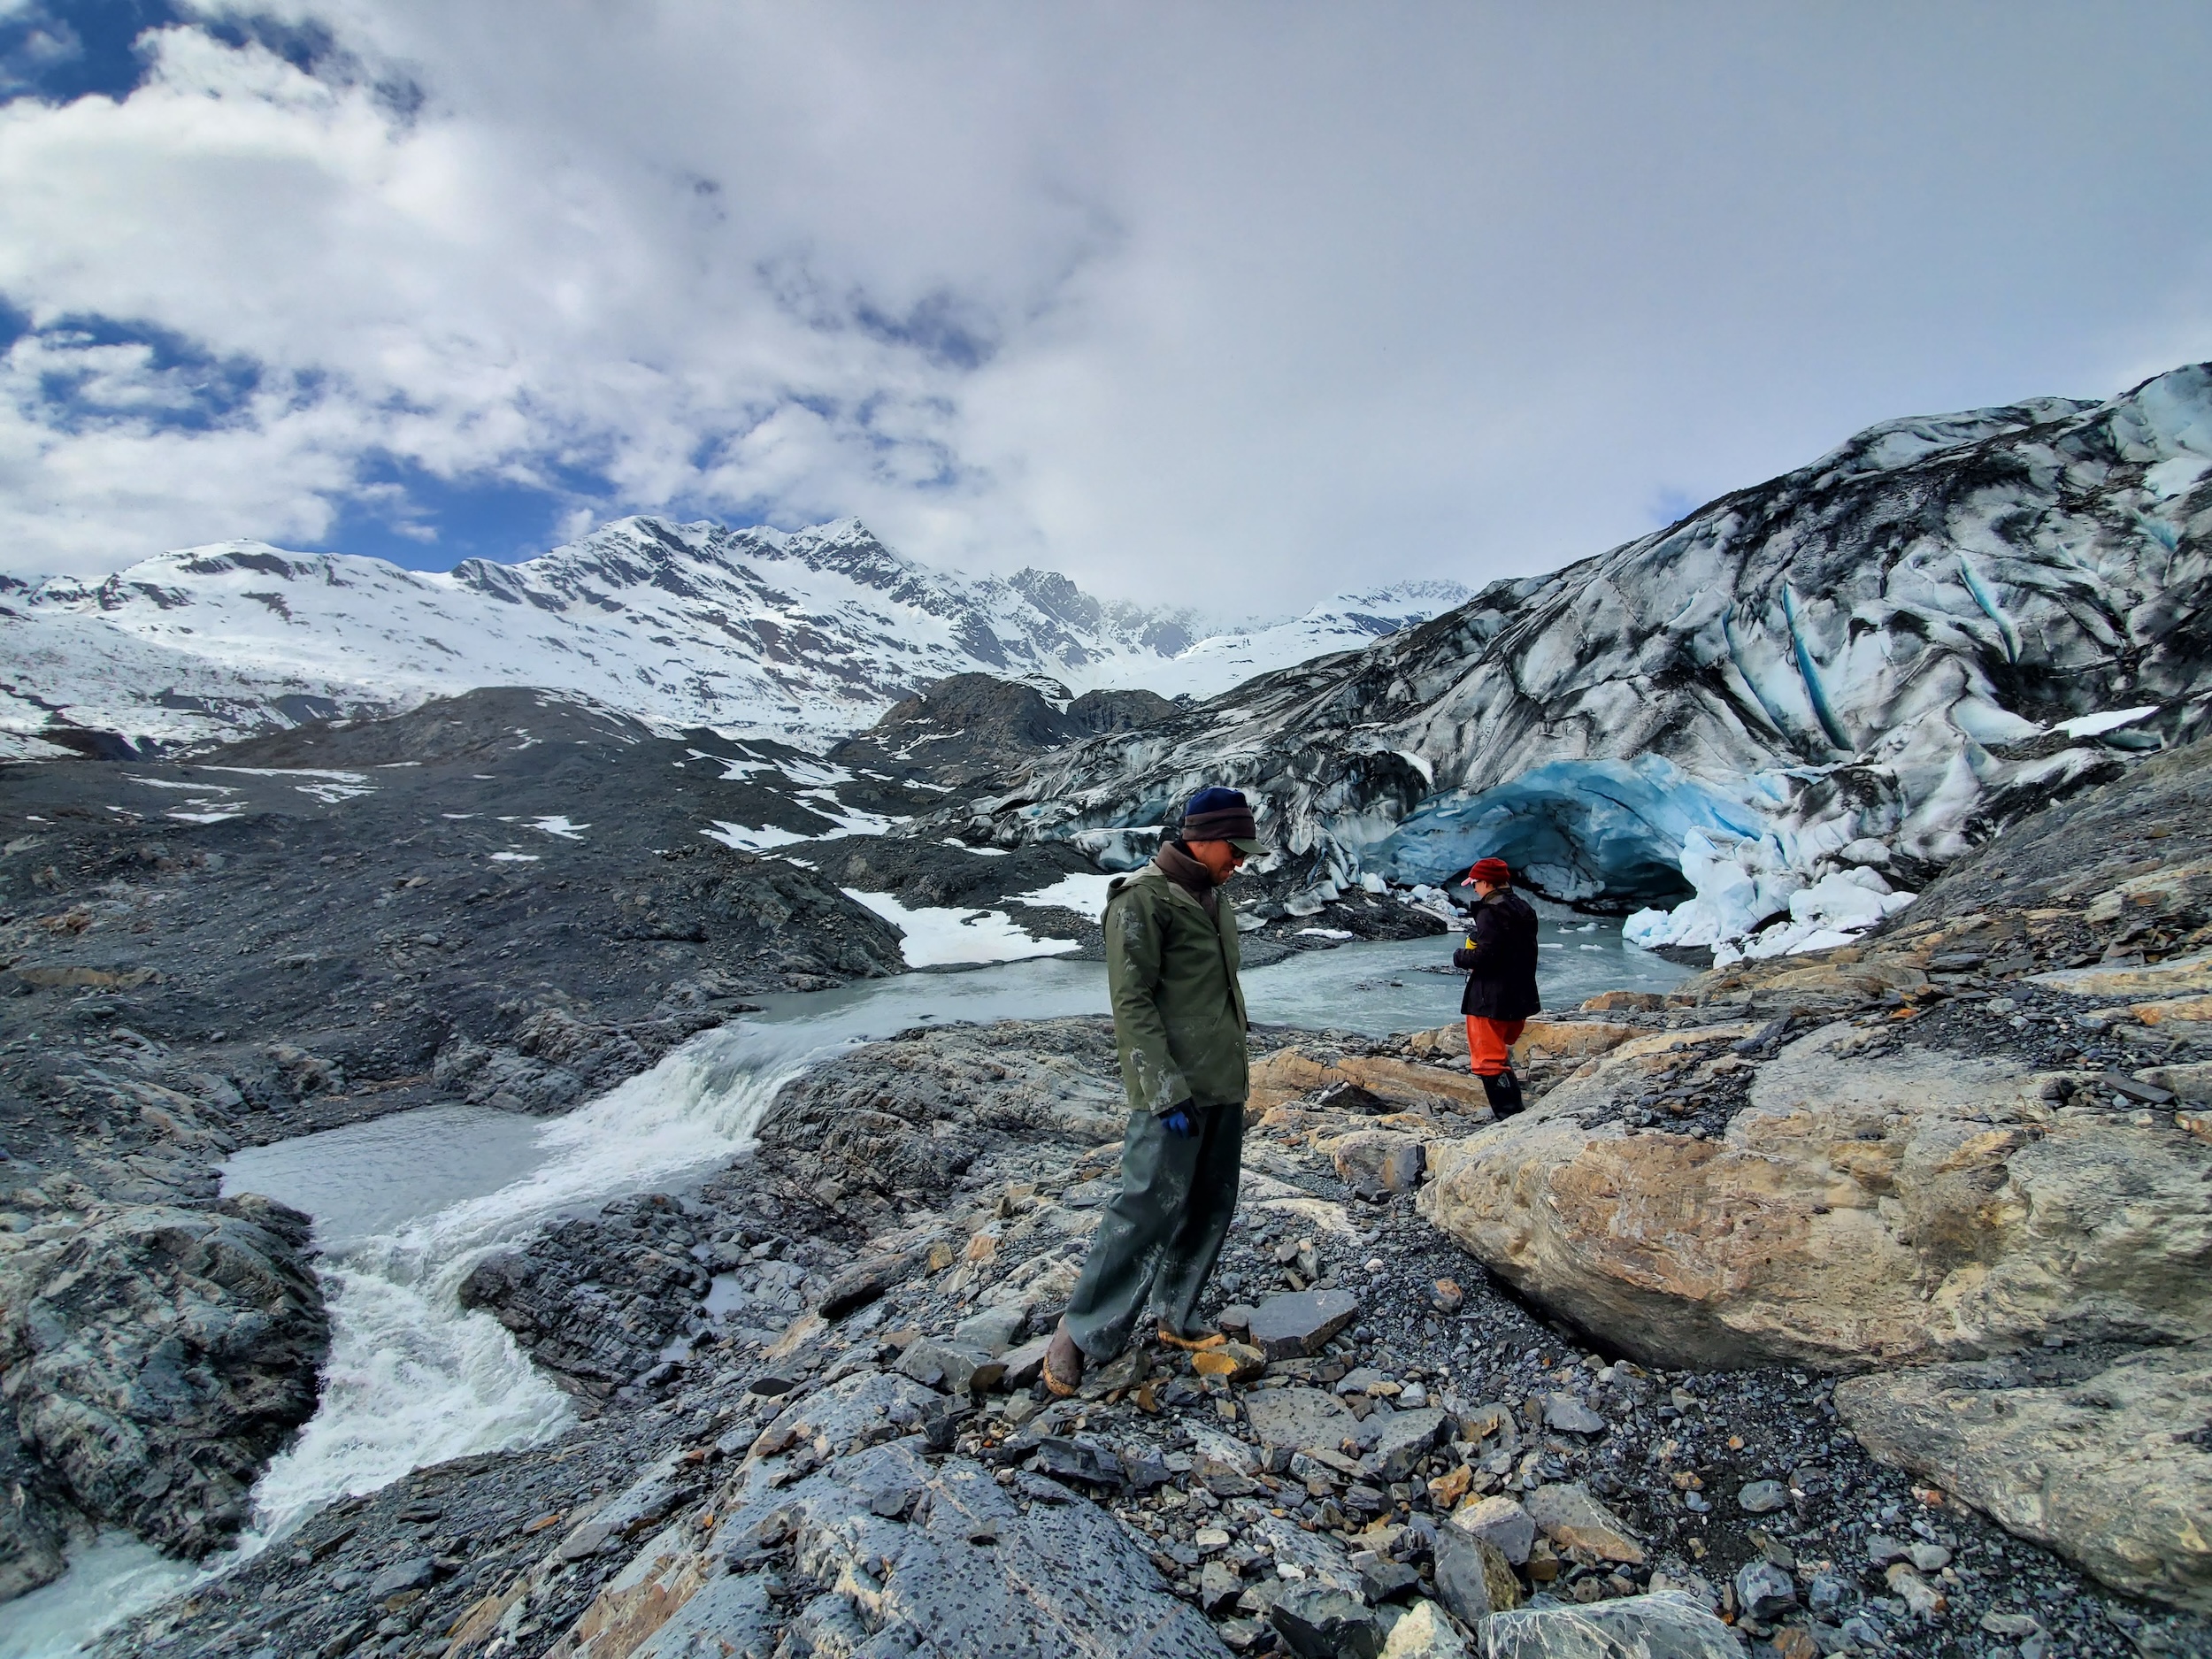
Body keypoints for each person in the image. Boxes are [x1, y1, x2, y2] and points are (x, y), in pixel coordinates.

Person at [1043, 786, 1261, 1396]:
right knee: (1144, 1205)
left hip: (1221, 1080)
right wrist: (1164, 1089)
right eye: (1234, 848)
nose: (1239, 860)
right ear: (1203, 837)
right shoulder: (1141, 899)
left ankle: (1177, 1313)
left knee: (1212, 1200)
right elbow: (1131, 1002)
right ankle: (1079, 1332)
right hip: (1172, 1089)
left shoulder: (1214, 896)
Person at [1454, 856, 1540, 1118]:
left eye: (1475, 884)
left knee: (1488, 1060)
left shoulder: (1491, 911)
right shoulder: (1523, 908)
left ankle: (1509, 1116)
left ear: (1487, 883)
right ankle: (1514, 1112)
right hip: (1519, 995)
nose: (1474, 889)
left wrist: (1461, 956)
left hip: (1489, 999)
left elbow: (1488, 956)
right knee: (1500, 1056)